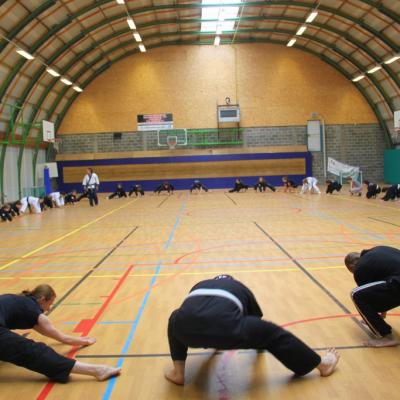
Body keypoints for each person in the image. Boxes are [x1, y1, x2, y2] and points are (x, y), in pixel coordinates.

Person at [165, 275, 339, 385]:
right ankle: (323, 365)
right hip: (228, 331)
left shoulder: (200, 284)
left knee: (175, 317)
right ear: (231, 281)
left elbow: (197, 313)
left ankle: (178, 372)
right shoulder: (240, 287)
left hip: (185, 330)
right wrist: (259, 344)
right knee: (272, 333)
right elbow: (255, 317)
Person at [0, 284, 121, 382]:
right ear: (42, 299)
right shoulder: (33, 310)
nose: (49, 309)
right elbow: (63, 338)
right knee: (35, 351)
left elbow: (48, 333)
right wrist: (84, 340)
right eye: (50, 304)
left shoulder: (20, 302)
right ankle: (97, 370)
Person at [344, 246, 400, 347]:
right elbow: (380, 288)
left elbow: (370, 298)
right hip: (396, 281)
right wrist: (378, 317)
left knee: (356, 295)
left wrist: (371, 318)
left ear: (352, 266)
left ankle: (386, 336)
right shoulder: (378, 250)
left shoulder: (360, 268)